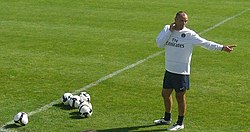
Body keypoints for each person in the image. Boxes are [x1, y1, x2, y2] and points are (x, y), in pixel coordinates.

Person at [154, 11, 236, 131]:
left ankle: (180, 123)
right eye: (181, 20)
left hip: (181, 72)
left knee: (180, 97)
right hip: (169, 70)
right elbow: (160, 43)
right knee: (165, 94)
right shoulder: (167, 29)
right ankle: (167, 118)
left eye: (185, 21)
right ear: (175, 19)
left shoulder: (189, 34)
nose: (183, 23)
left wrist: (222, 48)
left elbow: (205, 43)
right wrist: (170, 32)